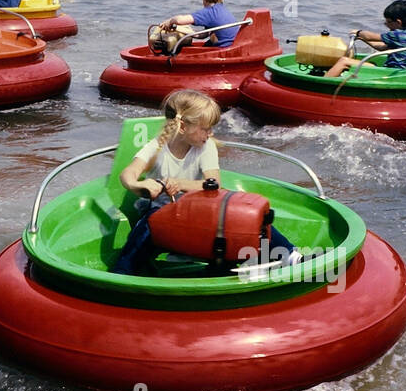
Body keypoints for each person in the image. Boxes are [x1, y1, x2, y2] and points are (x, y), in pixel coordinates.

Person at [112, 90, 300, 275]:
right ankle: (122, 272)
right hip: (163, 212)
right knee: (146, 228)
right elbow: (128, 174)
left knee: (251, 218)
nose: (210, 134)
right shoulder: (157, 146)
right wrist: (139, 185)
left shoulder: (205, 147)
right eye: (205, 128)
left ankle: (289, 254)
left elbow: (213, 183)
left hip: (199, 211)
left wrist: (180, 183)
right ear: (183, 127)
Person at [323, 0, 406, 78]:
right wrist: (362, 39)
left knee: (344, 61)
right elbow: (381, 47)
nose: (386, 25)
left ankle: (323, 83)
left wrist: (358, 32)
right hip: (398, 71)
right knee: (370, 62)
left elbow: (370, 36)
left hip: (392, 71)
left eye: (388, 22)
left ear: (398, 22)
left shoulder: (396, 34)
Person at [161, 0, 238, 47]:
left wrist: (170, 21)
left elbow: (179, 20)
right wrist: (177, 28)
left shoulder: (210, 12)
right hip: (233, 46)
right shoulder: (223, 10)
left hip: (223, 50)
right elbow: (202, 35)